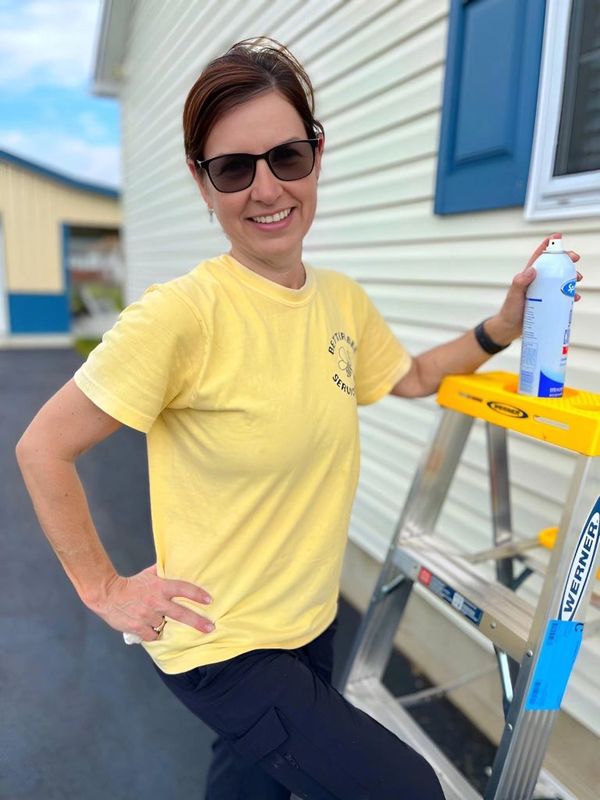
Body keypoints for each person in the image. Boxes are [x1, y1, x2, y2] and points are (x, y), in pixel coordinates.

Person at [16, 38, 581, 800]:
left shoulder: (340, 301)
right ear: (202, 182)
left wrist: (501, 329)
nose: (266, 188)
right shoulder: (181, 316)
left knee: (254, 786)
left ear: (318, 154)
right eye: (232, 168)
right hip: (225, 646)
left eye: (287, 156)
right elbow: (42, 446)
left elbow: (410, 376)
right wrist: (104, 589)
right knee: (406, 789)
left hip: (309, 622)